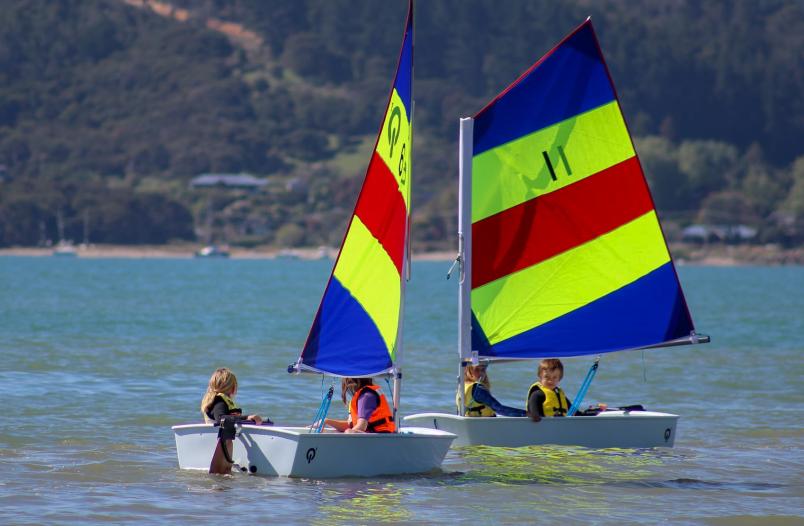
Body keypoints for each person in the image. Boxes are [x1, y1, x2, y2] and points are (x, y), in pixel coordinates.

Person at [200, 367, 268, 474]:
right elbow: (221, 418)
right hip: (220, 443)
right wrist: (246, 418)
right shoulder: (219, 401)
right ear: (232, 387)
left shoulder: (218, 400)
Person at [323, 377, 396, 433]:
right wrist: (326, 421)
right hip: (372, 436)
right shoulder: (361, 396)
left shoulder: (366, 396)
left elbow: (361, 427)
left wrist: (348, 433)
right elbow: (351, 425)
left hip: (381, 436)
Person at [457, 363, 527, 417]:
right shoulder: (478, 389)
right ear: (469, 371)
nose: (481, 373)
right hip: (484, 427)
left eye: (483, 370)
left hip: (473, 425)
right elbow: (499, 409)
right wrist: (526, 414)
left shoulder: (462, 386)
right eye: (477, 370)